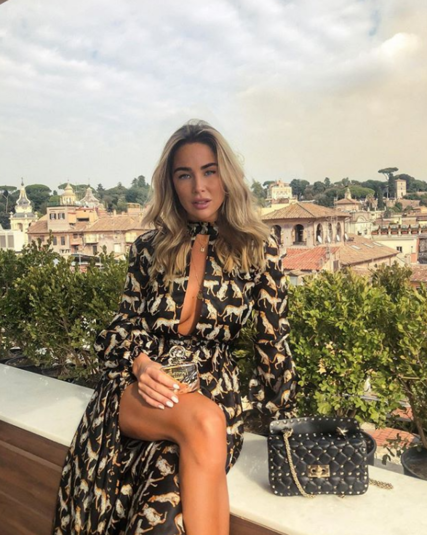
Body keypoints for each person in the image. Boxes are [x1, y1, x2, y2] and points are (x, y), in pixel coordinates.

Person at [53, 120, 297, 535]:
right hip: (140, 386)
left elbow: (273, 342)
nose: (199, 187)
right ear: (172, 184)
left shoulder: (260, 250)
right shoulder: (148, 248)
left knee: (165, 506)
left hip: (214, 390)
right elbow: (120, 328)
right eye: (185, 175)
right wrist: (142, 365)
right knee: (204, 421)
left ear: (227, 176)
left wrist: (284, 421)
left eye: (209, 171)